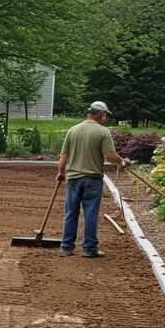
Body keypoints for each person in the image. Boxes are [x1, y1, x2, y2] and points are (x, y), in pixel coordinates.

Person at [56, 101, 130, 258]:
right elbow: (110, 155)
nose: (106, 118)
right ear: (100, 114)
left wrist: (60, 172)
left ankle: (66, 247)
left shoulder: (73, 130)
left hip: (73, 178)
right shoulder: (103, 132)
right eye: (105, 115)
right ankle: (89, 249)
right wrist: (122, 162)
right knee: (90, 213)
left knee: (70, 213)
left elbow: (64, 156)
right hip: (92, 179)